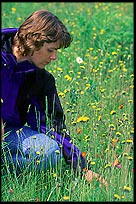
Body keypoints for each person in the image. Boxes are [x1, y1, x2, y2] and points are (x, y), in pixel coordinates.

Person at [1, 10, 107, 188]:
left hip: (10, 132)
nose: (54, 57)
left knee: (49, 152)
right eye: (50, 50)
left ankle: (8, 177)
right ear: (33, 41)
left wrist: (82, 167)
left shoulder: (41, 79)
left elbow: (52, 124)